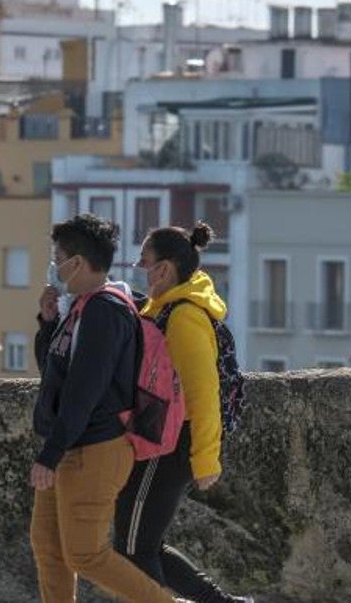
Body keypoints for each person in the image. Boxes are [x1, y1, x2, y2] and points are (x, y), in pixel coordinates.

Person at [29, 213, 176, 603]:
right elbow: (54, 374)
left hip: (94, 448)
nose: (53, 264)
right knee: (49, 546)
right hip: (71, 445)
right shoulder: (78, 308)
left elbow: (84, 391)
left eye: (57, 256)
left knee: (85, 553)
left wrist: (51, 452)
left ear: (76, 263)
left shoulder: (103, 312)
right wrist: (47, 324)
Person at [114, 222, 252, 603]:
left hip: (172, 445)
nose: (140, 267)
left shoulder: (183, 317)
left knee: (132, 550)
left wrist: (206, 459)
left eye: (145, 261)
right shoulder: (163, 307)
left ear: (164, 270)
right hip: (161, 439)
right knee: (143, 545)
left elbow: (203, 392)